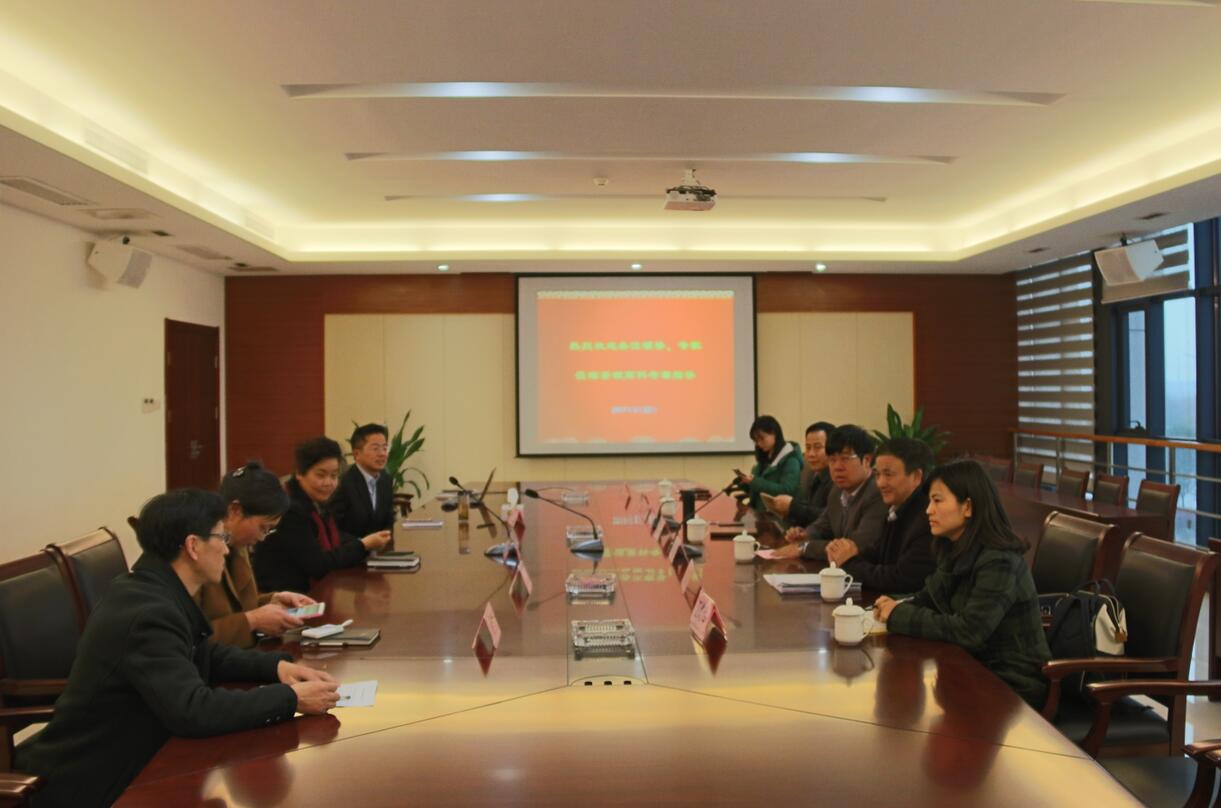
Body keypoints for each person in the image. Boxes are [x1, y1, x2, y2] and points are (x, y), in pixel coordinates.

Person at [14, 489, 340, 808]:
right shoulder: (148, 613)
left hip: (138, 752)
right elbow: (193, 710)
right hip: (96, 779)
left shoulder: (158, 589)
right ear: (193, 546)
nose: (227, 550)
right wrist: (291, 699)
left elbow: (204, 652)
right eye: (221, 538)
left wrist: (275, 668)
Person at [874, 459, 1051, 708]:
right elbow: (929, 597)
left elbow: (970, 631)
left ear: (967, 507)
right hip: (971, 667)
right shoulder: (955, 546)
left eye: (937, 501)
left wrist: (899, 615)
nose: (928, 510)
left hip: (1011, 685)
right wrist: (892, 605)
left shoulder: (1000, 560)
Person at [198, 462, 317, 647]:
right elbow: (190, 639)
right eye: (263, 528)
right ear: (235, 510)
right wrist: (253, 620)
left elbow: (239, 606)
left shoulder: (238, 544)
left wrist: (272, 601)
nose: (262, 538)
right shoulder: (196, 554)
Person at [253, 437, 392, 594]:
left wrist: (363, 542)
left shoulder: (317, 501)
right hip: (287, 596)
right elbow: (319, 564)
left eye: (334, 476)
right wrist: (363, 545)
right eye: (321, 475)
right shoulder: (290, 509)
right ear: (299, 473)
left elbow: (333, 538)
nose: (328, 483)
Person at [826, 437, 936, 593]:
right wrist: (847, 551)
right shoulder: (896, 508)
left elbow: (902, 579)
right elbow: (878, 555)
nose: (880, 483)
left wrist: (849, 563)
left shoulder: (929, 517)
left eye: (888, 474)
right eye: (877, 474)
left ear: (916, 476)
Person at [774, 425, 886, 560]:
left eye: (845, 458)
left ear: (867, 460)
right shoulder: (837, 490)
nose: (837, 467)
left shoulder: (878, 492)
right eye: (832, 460)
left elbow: (854, 546)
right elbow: (823, 524)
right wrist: (805, 534)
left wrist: (804, 547)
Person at [332, 423, 395, 539]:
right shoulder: (343, 484)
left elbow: (389, 520)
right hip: (352, 548)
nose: (382, 454)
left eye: (384, 448)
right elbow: (334, 530)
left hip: (381, 547)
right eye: (375, 449)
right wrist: (363, 544)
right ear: (357, 454)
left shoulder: (386, 480)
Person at [767, 421, 834, 527]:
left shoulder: (837, 479)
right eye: (808, 447)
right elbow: (810, 512)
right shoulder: (814, 474)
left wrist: (792, 507)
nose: (811, 454)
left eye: (817, 447)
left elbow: (830, 517)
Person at [734, 415, 803, 510]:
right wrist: (746, 484)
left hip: (775, 514)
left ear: (774, 433)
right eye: (756, 440)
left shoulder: (791, 460)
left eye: (762, 438)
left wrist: (755, 482)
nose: (759, 444)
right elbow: (759, 488)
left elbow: (787, 491)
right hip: (757, 510)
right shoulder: (765, 456)